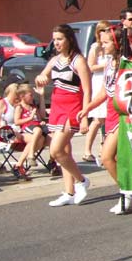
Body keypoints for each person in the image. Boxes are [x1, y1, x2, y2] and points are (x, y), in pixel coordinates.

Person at [77, 26, 132, 214]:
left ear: (116, 43)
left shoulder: (128, 63)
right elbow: (104, 91)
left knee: (106, 157)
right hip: (110, 111)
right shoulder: (109, 63)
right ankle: (128, 192)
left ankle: (128, 193)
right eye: (101, 42)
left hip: (123, 113)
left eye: (106, 42)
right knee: (117, 158)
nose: (102, 46)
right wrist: (87, 108)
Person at [36, 24, 92, 207]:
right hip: (57, 107)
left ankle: (82, 181)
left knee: (56, 150)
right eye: (55, 39)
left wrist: (84, 115)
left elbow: (87, 90)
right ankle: (69, 192)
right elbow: (41, 77)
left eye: (60, 39)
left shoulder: (78, 61)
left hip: (73, 107)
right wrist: (42, 79)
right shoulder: (54, 60)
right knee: (64, 152)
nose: (57, 43)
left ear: (69, 39)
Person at [82, 20, 109, 162]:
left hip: (108, 80)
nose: (105, 33)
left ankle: (103, 149)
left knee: (107, 118)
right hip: (99, 81)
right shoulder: (95, 47)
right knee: (98, 119)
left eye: (107, 30)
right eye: (103, 30)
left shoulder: (110, 46)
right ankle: (87, 150)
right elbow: (90, 66)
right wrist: (104, 65)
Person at [0, 83, 30, 180]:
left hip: (20, 132)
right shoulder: (2, 104)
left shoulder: (21, 104)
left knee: (41, 137)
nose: (18, 97)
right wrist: (9, 130)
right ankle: (18, 166)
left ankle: (19, 165)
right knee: (33, 138)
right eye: (17, 94)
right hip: (3, 133)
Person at [13, 83, 48, 175]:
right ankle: (31, 154)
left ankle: (52, 162)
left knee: (49, 138)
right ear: (22, 96)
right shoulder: (19, 107)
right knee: (38, 131)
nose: (33, 97)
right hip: (26, 128)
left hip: (36, 128)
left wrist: (41, 96)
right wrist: (30, 118)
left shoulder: (33, 106)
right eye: (30, 95)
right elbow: (17, 121)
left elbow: (42, 116)